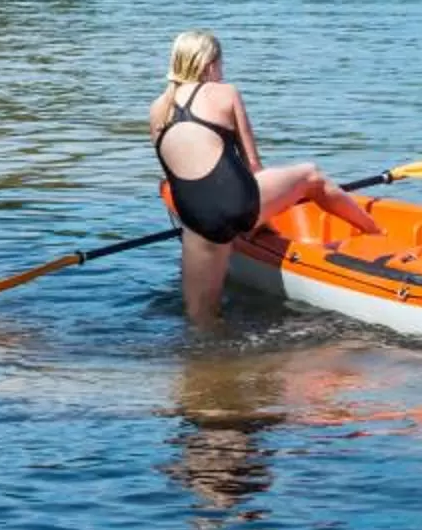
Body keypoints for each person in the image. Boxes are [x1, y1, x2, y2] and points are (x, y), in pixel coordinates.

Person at [151, 30, 383, 321]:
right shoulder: (226, 92)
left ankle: (206, 362)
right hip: (237, 206)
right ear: (210, 65)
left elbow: (176, 176)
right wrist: (260, 220)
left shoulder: (157, 109)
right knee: (311, 176)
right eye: (221, 65)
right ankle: (374, 231)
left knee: (200, 319)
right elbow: (253, 167)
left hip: (197, 220)